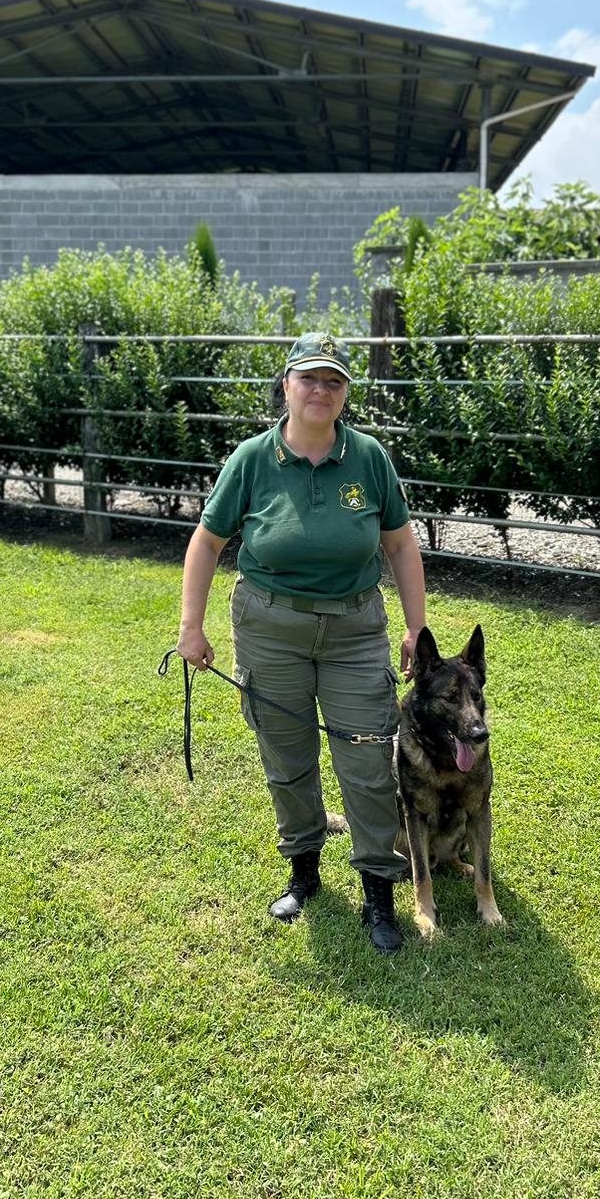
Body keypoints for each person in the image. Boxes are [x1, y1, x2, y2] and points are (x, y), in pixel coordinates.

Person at [176, 332, 427, 954]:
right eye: (309, 379)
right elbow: (207, 542)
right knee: (286, 759)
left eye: (334, 381)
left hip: (354, 630)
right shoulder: (253, 459)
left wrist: (416, 626)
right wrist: (191, 624)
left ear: (346, 394)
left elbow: (399, 543)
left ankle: (377, 892)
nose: (321, 390)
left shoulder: (368, 458)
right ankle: (304, 871)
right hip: (270, 629)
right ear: (286, 385)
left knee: (367, 763)